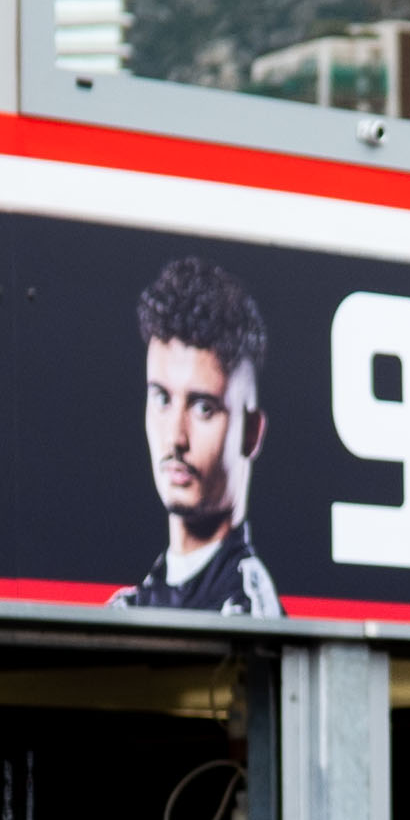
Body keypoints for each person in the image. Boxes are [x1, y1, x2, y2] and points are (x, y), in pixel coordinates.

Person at [130, 257, 280, 616]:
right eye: (162, 399)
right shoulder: (131, 605)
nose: (176, 438)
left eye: (203, 408)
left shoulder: (247, 615)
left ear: (252, 434)